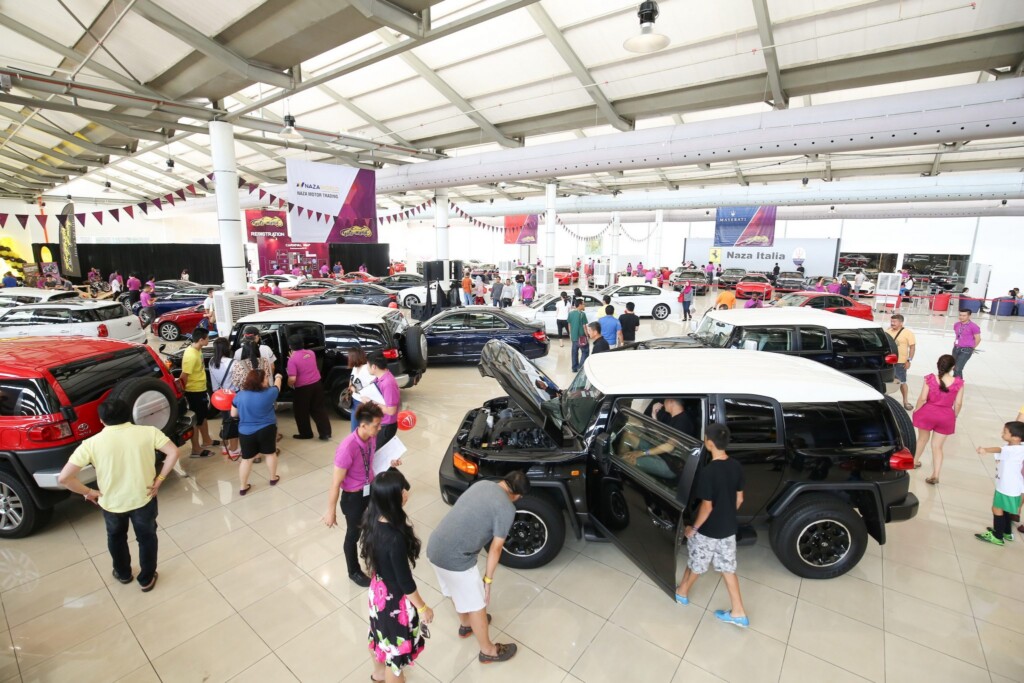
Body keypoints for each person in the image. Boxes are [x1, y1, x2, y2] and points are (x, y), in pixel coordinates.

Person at [58, 398, 179, 592]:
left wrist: (89, 492)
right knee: (147, 538)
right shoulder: (148, 432)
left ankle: (123, 573)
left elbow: (64, 478)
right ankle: (146, 579)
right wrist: (159, 480)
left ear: (101, 420)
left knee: (116, 537)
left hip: (110, 502)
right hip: (143, 498)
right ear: (129, 414)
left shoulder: (91, 443)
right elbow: (173, 452)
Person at [426, 473, 528, 664]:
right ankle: (488, 651)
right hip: (457, 559)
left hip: (434, 548)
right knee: (477, 604)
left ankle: (466, 625)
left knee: (455, 590)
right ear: (517, 495)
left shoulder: (482, 484)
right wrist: (487, 582)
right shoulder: (507, 508)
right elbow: (496, 549)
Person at [674, 424, 748, 628]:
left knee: (698, 562)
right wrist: (727, 514)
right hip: (728, 528)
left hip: (709, 530)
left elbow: (706, 508)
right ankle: (739, 612)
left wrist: (694, 528)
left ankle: (682, 592)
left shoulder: (708, 472)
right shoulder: (736, 466)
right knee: (728, 568)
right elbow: (739, 499)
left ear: (709, 443)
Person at [361, 470, 432, 682]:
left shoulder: (371, 520)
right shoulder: (394, 537)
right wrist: (423, 607)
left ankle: (377, 675)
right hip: (394, 601)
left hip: (378, 592)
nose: (406, 493)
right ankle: (387, 675)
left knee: (379, 637)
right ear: (394, 498)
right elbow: (405, 581)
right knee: (397, 659)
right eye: (402, 490)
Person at [324, 402, 402, 586]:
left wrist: (390, 462)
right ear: (363, 425)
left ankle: (373, 558)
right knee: (353, 534)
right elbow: (335, 484)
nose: (380, 427)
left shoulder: (371, 437)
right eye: (377, 425)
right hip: (353, 498)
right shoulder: (347, 448)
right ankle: (353, 571)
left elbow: (372, 460)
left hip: (370, 489)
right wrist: (330, 511)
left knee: (375, 526)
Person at [912, 354, 963, 485]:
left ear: (938, 365)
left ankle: (914, 462)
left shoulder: (930, 379)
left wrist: (917, 410)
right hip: (946, 415)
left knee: (922, 439)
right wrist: (954, 415)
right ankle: (935, 474)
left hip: (928, 412)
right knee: (937, 447)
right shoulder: (958, 383)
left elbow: (923, 398)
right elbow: (958, 404)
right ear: (953, 367)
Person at [231, 367, 282, 496]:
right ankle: (272, 478)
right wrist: (278, 377)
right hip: (267, 429)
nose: (267, 380)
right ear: (260, 381)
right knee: (270, 454)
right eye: (265, 378)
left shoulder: (240, 395)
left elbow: (233, 414)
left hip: (246, 432)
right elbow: (277, 386)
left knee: (246, 459)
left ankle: (243, 487)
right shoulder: (270, 393)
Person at [973, 422, 1024, 546]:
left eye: (1005, 432)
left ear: (1016, 438)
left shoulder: (1011, 449)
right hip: (1015, 487)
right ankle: (1006, 531)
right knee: (1005, 509)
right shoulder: (1021, 446)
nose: (1002, 434)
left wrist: (985, 449)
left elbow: (999, 449)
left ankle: (997, 536)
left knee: (996, 508)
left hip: (1006, 487)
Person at [179, 328, 217, 458]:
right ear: (201, 340)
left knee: (203, 417)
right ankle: (196, 449)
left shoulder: (197, 349)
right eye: (207, 338)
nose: (208, 340)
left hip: (200, 389)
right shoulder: (191, 355)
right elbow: (184, 376)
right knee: (196, 420)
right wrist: (182, 391)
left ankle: (207, 440)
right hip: (193, 391)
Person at [287, 335, 332, 442]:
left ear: (290, 346)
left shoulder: (292, 360)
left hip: (303, 389)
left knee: (301, 411)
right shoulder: (311, 353)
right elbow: (304, 360)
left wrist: (289, 385)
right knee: (319, 409)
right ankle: (325, 433)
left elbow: (292, 379)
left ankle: (306, 433)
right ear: (302, 344)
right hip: (317, 385)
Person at [208, 338, 241, 460]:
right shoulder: (233, 363)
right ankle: (234, 449)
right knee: (234, 422)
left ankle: (225, 446)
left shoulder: (212, 362)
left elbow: (214, 385)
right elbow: (238, 383)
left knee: (226, 420)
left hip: (221, 396)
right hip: (233, 396)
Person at [367, 352, 400, 448]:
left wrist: (371, 402)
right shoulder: (379, 378)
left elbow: (391, 410)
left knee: (381, 457)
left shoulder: (388, 383)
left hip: (386, 426)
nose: (366, 368)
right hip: (380, 422)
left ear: (374, 367)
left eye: (367, 365)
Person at [886, 314, 917, 410]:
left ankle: (905, 401)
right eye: (891, 321)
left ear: (901, 323)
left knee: (902, 382)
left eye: (894, 322)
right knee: (886, 381)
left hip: (900, 362)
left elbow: (912, 347)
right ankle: (885, 401)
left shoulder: (908, 333)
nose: (892, 323)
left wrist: (909, 360)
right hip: (888, 361)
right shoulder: (887, 331)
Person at [347, 347, 374, 433]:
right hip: (355, 401)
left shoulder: (367, 369)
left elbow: (373, 387)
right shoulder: (355, 367)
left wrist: (355, 390)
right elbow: (351, 379)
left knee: (361, 429)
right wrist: (350, 386)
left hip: (363, 402)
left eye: (349, 356)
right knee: (354, 429)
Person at [952, 308, 981, 379]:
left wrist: (972, 348)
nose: (961, 317)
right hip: (956, 348)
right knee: (954, 367)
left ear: (969, 316)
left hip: (966, 350)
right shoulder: (956, 324)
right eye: (960, 315)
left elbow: (978, 339)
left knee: (958, 368)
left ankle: (958, 385)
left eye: (964, 315)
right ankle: (955, 383)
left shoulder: (974, 326)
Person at [568, 298, 590, 372]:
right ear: (580, 305)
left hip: (574, 336)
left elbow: (569, 325)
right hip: (582, 337)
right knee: (585, 351)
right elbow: (584, 327)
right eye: (583, 304)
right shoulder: (582, 314)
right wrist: (587, 336)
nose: (584, 305)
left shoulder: (570, 313)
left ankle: (574, 368)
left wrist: (570, 334)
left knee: (574, 352)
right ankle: (580, 367)